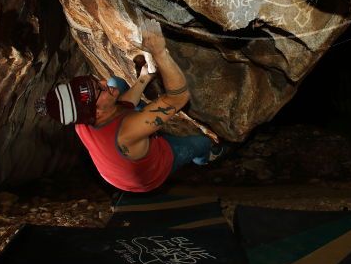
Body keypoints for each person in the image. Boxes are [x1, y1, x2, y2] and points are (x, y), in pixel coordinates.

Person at [35, 18, 223, 192]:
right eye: (98, 90)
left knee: (115, 84)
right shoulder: (128, 131)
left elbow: (117, 108)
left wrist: (143, 79)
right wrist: (160, 53)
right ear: (97, 110)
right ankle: (206, 158)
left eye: (95, 81)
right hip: (147, 177)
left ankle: (143, 126)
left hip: (116, 168)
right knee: (202, 142)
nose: (102, 81)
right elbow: (178, 98)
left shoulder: (81, 119)